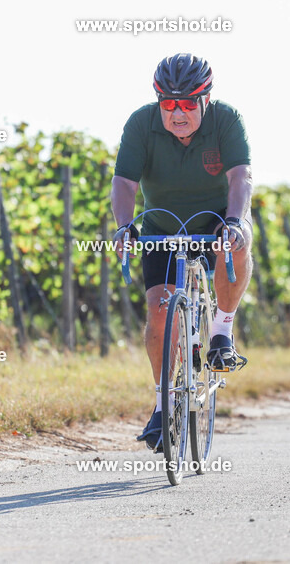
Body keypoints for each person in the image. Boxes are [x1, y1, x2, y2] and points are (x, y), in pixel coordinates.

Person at [110, 53, 254, 452]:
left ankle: (222, 331)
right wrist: (124, 225)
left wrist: (236, 222)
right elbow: (124, 182)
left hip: (216, 221)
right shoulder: (141, 123)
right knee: (159, 309)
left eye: (188, 103)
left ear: (205, 99)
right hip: (163, 226)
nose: (177, 113)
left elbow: (240, 176)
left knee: (237, 244)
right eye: (168, 103)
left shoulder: (226, 120)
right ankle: (162, 403)